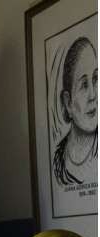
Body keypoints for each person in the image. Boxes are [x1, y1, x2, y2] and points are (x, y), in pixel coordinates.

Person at [52, 37, 97, 187]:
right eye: (84, 85)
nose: (93, 95)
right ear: (68, 102)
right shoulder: (58, 162)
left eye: (96, 79)